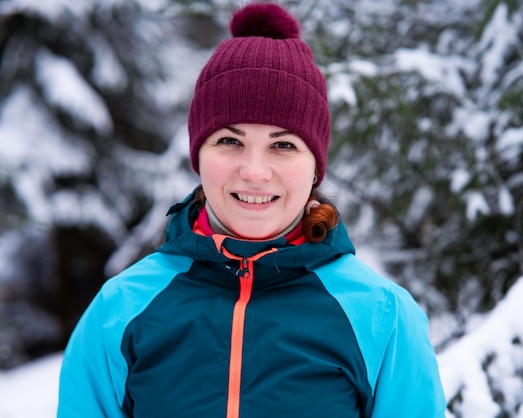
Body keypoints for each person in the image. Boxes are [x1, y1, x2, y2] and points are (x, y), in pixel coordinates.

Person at [57, 3, 446, 417]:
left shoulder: (381, 316)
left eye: (283, 145)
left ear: (315, 166)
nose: (255, 172)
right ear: (198, 155)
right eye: (229, 141)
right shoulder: (120, 310)